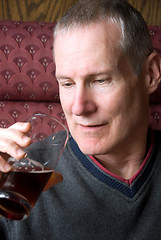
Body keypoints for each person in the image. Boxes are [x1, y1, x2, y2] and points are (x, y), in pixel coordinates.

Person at [0, 0, 161, 239]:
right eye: (67, 83)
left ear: (150, 74)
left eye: (100, 80)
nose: (78, 107)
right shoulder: (17, 177)